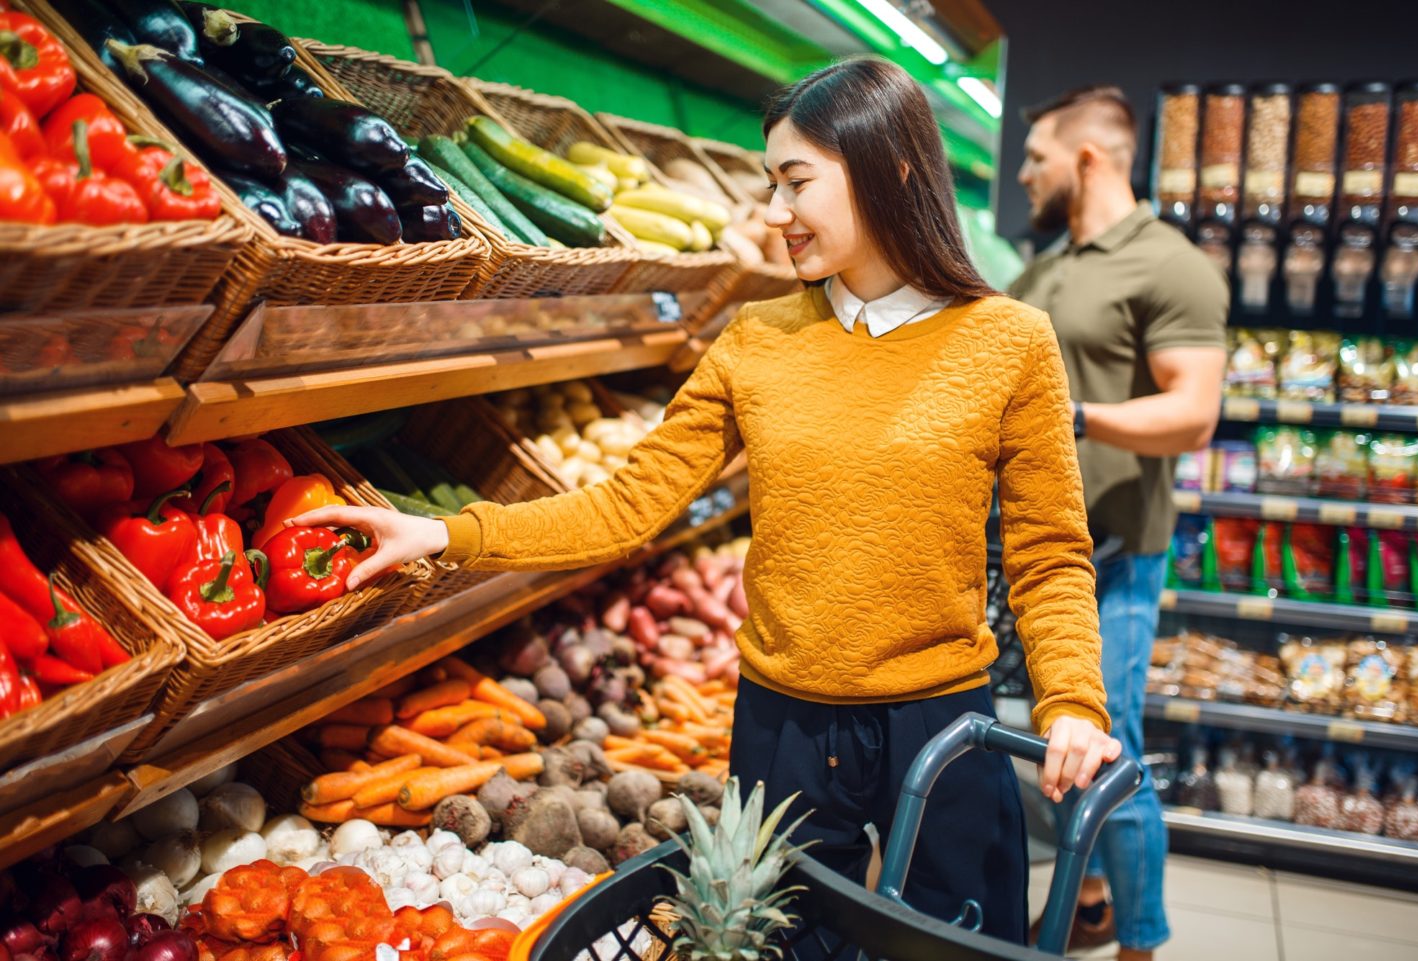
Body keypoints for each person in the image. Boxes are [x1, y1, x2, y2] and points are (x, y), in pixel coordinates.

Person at [293, 59, 1119, 946]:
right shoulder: (756, 340)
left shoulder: (1010, 342)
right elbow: (627, 503)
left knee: (963, 944)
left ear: (893, 167)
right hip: (783, 729)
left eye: (796, 182)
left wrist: (1071, 698)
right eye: (771, 183)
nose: (772, 213)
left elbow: (1047, 554)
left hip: (942, 725)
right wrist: (447, 532)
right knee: (771, 945)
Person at [1012, 86, 1229, 960]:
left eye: (1036, 156)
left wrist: (1073, 415)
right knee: (1062, 747)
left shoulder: (1169, 266)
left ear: (1087, 159)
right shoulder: (1056, 259)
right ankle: (1093, 902)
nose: (1025, 174)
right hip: (1042, 548)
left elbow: (1194, 413)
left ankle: (1140, 943)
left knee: (1108, 754)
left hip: (1116, 553)